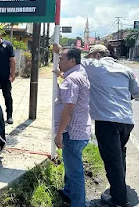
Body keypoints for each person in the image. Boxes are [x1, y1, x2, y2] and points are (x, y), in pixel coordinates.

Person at [54, 44, 139, 207]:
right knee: (119, 155)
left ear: (96, 55)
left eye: (90, 55)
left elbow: (73, 58)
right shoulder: (126, 70)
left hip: (107, 122)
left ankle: (118, 200)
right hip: (126, 121)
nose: (88, 59)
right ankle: (118, 189)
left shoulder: (93, 65)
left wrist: (57, 48)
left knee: (112, 161)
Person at [53, 48, 91, 207]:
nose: (58, 62)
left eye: (61, 59)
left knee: (75, 172)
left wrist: (59, 133)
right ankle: (68, 192)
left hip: (72, 133)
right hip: (81, 130)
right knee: (71, 166)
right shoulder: (80, 72)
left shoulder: (71, 80)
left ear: (72, 61)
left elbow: (68, 108)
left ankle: (78, 204)